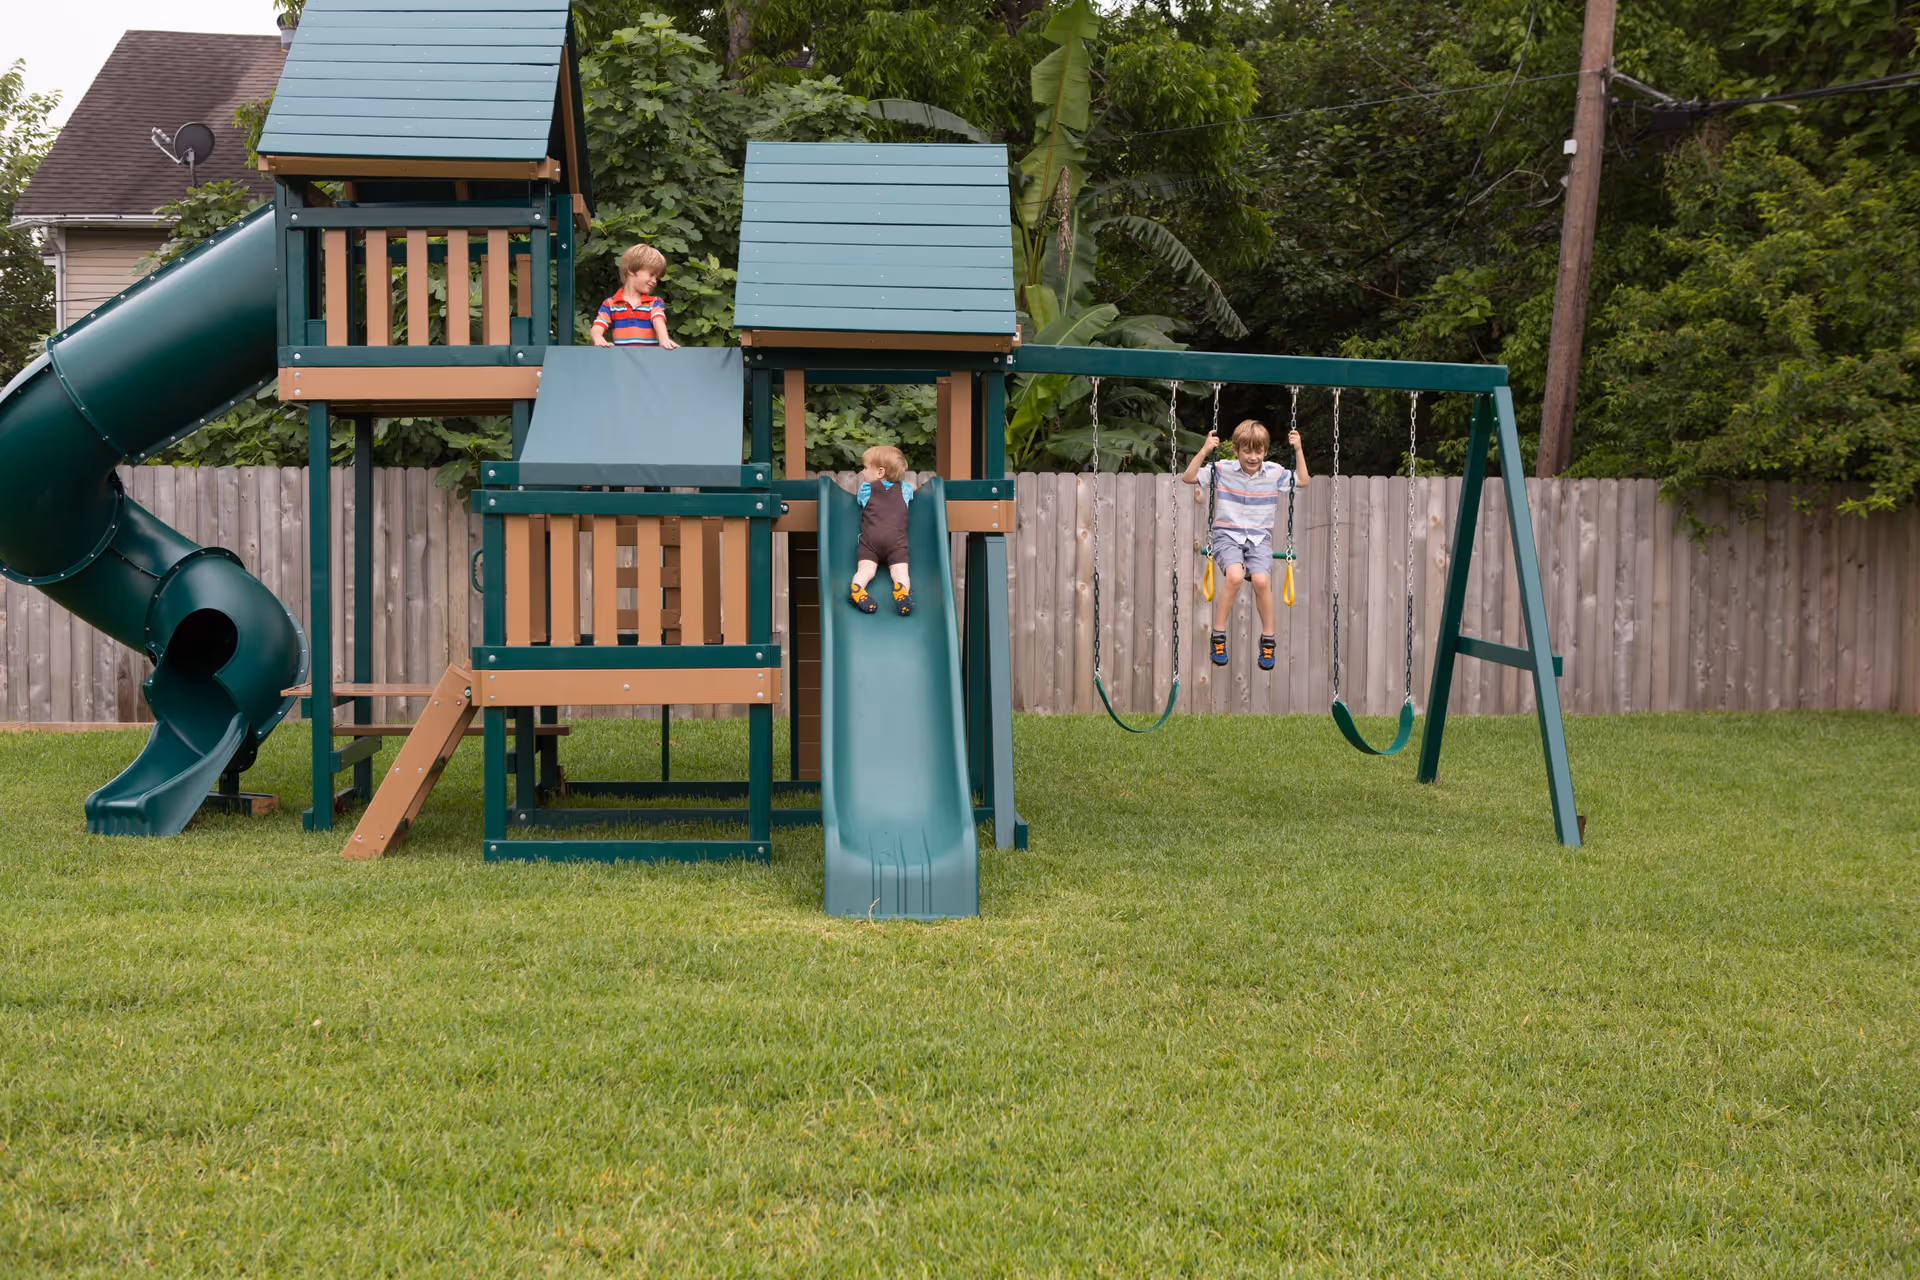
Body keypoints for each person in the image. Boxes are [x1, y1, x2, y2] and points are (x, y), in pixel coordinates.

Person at [1180, 418, 1309, 671]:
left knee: (1262, 581)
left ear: (1265, 450)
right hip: (1227, 535)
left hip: (1259, 537)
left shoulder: (1274, 472)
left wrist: (1298, 449)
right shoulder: (1223, 468)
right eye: (1247, 450)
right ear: (1236, 450)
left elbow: (1303, 481)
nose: (1253, 456)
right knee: (1236, 577)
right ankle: (1218, 635)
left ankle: (1268, 639)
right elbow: (1188, 477)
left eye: (1258, 451)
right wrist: (1205, 450)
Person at [849, 445, 915, 616]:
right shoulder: (905, 489)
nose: (863, 472)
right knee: (900, 572)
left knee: (865, 571)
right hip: (897, 542)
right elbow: (913, 492)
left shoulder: (866, 489)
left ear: (879, 472)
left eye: (865, 467)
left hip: (871, 542)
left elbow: (860, 502)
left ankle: (857, 589)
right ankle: (902, 592)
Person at [590, 244, 679, 349]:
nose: (654, 281)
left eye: (657, 278)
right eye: (651, 274)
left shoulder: (654, 302)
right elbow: (598, 325)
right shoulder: (610, 304)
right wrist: (598, 337)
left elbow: (658, 320)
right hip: (623, 359)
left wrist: (664, 339)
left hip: (648, 360)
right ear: (631, 270)